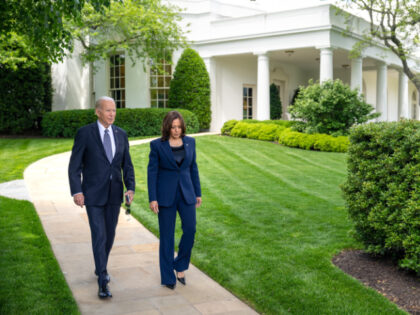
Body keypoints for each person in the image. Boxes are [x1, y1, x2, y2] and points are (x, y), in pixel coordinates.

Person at [68, 96, 135, 299]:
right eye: (108, 110)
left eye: (114, 110)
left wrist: (130, 188)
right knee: (99, 234)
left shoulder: (121, 134)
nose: (112, 114)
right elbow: (74, 166)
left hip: (114, 193)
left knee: (110, 234)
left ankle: (100, 265)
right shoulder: (85, 133)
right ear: (97, 112)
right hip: (93, 194)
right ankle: (103, 280)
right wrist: (77, 191)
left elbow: (127, 165)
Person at [147, 111, 202, 289]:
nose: (176, 130)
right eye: (173, 127)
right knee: (167, 236)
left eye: (179, 127)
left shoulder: (190, 142)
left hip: (187, 193)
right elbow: (152, 172)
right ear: (167, 127)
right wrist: (153, 198)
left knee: (190, 230)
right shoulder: (157, 145)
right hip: (165, 196)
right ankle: (168, 277)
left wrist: (198, 193)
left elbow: (193, 168)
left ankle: (180, 264)